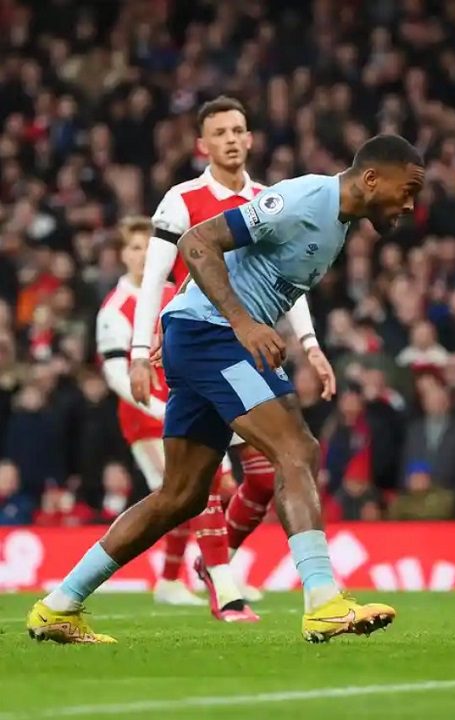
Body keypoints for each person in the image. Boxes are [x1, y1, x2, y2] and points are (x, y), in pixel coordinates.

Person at [26, 133, 426, 644]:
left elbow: (248, 271)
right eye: (407, 190)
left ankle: (59, 606)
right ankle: (324, 602)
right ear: (371, 178)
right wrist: (241, 322)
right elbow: (197, 242)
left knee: (181, 496)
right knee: (297, 449)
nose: (410, 204)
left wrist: (216, 320)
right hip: (214, 335)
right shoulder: (304, 200)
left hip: (206, 335)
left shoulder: (338, 222)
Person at [126, 96, 336, 615]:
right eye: (220, 133)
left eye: (238, 130)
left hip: (250, 351)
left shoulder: (271, 199)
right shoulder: (182, 199)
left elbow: (293, 283)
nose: (231, 140)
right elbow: (154, 277)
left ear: (250, 138)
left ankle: (219, 560)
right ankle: (226, 587)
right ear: (203, 145)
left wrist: (311, 345)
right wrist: (138, 349)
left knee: (264, 476)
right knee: (208, 473)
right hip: (199, 345)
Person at [96, 216, 255, 615]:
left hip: (188, 405)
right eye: (134, 248)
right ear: (122, 255)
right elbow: (116, 376)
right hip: (147, 417)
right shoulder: (114, 309)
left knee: (191, 493)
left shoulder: (174, 292)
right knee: (188, 490)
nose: (142, 255)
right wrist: (157, 408)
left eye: (148, 248)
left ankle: (171, 579)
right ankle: (221, 582)